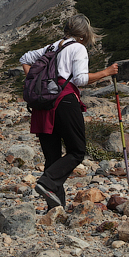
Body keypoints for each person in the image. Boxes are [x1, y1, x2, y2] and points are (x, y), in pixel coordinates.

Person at [21, 14, 118, 210]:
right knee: (77, 150)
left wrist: (38, 84)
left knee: (53, 157)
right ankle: (47, 182)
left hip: (43, 105)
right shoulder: (78, 48)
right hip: (64, 101)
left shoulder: (52, 47)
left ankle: (55, 208)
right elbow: (81, 79)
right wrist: (106, 73)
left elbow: (24, 59)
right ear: (83, 34)